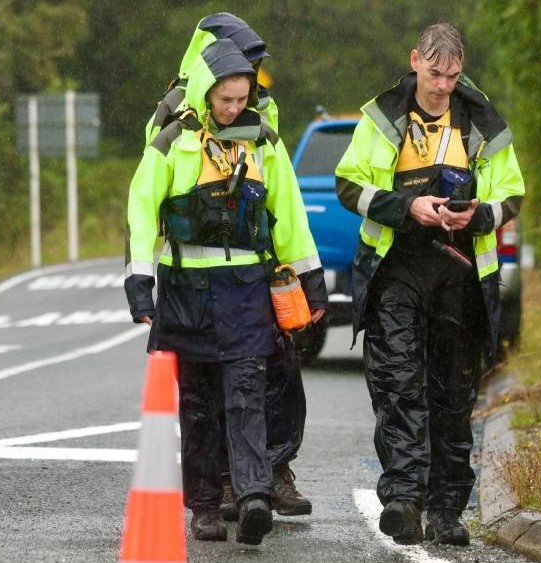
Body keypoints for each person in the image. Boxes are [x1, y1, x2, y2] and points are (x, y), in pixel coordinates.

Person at [124, 38, 327, 545]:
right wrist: (139, 283)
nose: (235, 108)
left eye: (242, 98)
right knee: (197, 402)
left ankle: (255, 494)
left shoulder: (263, 141)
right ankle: (205, 507)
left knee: (247, 394)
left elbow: (290, 215)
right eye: (225, 99)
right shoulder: (172, 142)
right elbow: (141, 211)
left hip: (246, 292)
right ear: (205, 92)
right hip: (187, 293)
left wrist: (312, 280)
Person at [335, 22, 524, 545]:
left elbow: (512, 194)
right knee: (398, 385)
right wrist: (407, 207)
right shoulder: (382, 116)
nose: (443, 85)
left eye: (453, 75)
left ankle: (446, 512)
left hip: (460, 276)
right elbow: (349, 185)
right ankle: (403, 500)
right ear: (416, 60)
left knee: (452, 396)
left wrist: (477, 215)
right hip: (397, 268)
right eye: (435, 73)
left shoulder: (481, 120)